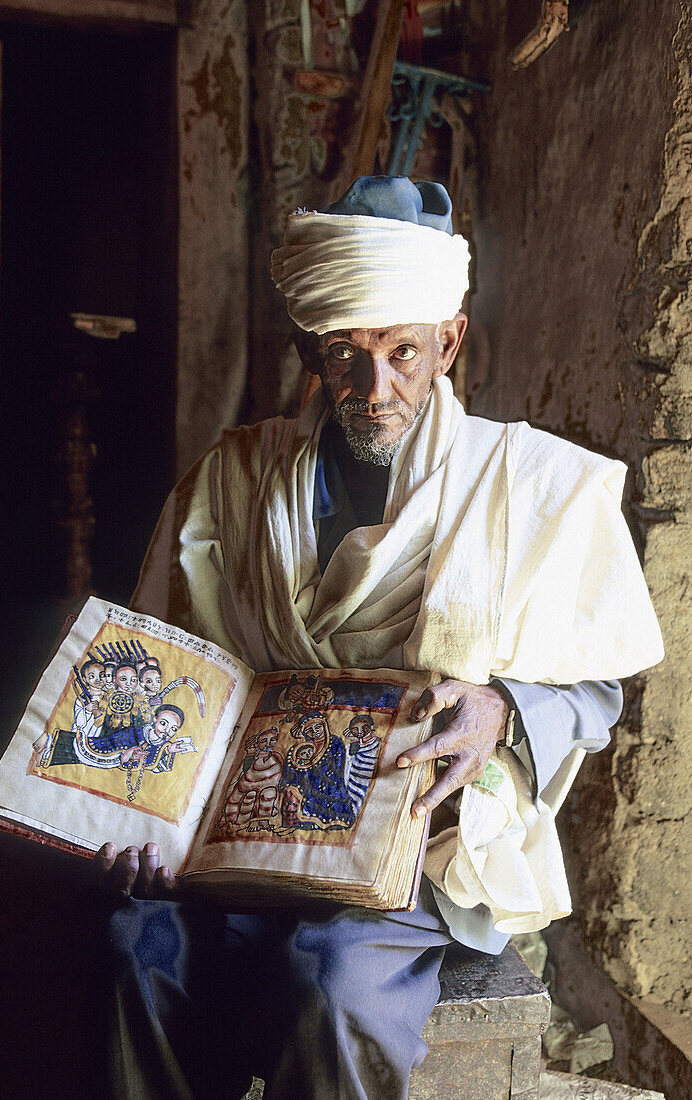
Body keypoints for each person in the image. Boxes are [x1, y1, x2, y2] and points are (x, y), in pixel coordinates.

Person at [92, 176, 663, 1099]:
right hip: (238, 844)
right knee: (133, 949)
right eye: (344, 356)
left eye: (403, 352)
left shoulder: (531, 485)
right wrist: (143, 811)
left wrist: (497, 706)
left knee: (330, 978)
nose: (374, 389)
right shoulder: (233, 477)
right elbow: (168, 669)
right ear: (310, 353)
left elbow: (594, 689)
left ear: (450, 341)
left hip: (417, 846)